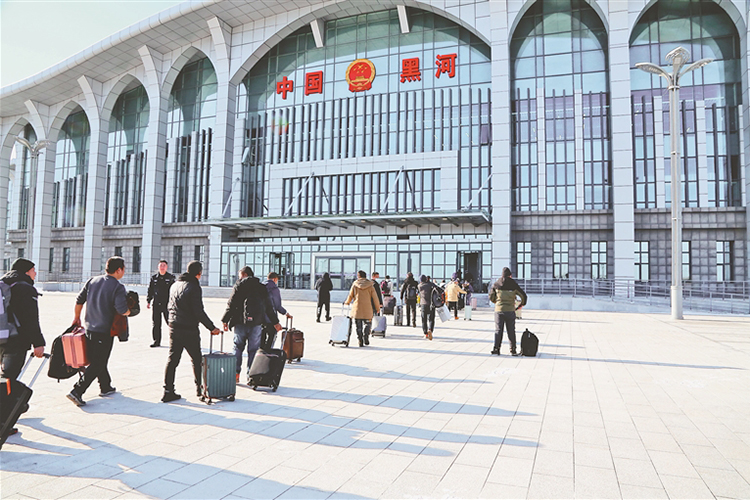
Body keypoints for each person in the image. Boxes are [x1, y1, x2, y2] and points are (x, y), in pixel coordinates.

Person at [67, 257, 130, 406]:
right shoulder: (117, 287)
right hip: (105, 330)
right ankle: (77, 391)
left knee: (99, 358)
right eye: (123, 269)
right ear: (119, 270)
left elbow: (79, 300)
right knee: (98, 362)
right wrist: (131, 311)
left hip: (90, 328)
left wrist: (76, 317)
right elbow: (122, 310)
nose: (124, 271)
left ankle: (105, 386)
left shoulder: (92, 281)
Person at [162, 261, 220, 403]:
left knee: (172, 359)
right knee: (196, 359)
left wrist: (170, 322)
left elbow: (168, 306)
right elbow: (198, 311)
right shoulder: (194, 286)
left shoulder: (175, 285)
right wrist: (212, 327)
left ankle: (168, 391)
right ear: (199, 273)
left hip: (174, 326)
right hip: (188, 328)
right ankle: (200, 390)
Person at [0, 258, 45, 434]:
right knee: (9, 380)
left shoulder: (3, 284)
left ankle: (14, 408)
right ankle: (4, 423)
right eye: (33, 270)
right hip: (15, 341)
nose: (35, 273)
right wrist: (38, 343)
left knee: (5, 379)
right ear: (26, 271)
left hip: (1, 337)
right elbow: (30, 319)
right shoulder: (25, 288)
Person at [221, 267, 280, 384]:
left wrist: (225, 320)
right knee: (253, 350)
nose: (239, 277)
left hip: (240, 323)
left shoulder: (239, 286)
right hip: (256, 323)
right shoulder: (261, 287)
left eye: (240, 275)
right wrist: (275, 322)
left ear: (244, 274)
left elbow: (231, 304)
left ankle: (235, 374)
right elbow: (269, 306)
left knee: (238, 347)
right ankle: (251, 375)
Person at [489, 267, 528, 356]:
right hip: (510, 311)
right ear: (510, 275)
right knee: (511, 331)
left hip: (499, 311)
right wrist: (521, 305)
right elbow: (523, 296)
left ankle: (496, 349)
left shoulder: (496, 283)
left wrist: (497, 302)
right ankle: (513, 350)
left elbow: (491, 296)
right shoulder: (513, 284)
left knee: (498, 330)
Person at [344, 270, 381, 347]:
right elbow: (375, 298)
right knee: (368, 324)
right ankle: (366, 336)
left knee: (358, 326)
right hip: (368, 308)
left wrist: (347, 302)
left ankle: (360, 340)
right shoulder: (370, 285)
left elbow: (350, 295)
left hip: (357, 308)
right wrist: (377, 308)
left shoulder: (355, 284)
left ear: (359, 276)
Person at [146, 260, 175, 348]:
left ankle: (175, 341)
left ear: (167, 267)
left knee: (171, 323)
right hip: (156, 304)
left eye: (164, 265)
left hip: (167, 304)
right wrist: (148, 301)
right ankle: (156, 341)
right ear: (158, 267)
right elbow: (150, 290)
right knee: (156, 323)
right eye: (161, 265)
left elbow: (174, 291)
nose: (162, 267)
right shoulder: (154, 278)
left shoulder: (171, 278)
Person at [417, 275, 439, 340]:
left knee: (424, 320)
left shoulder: (419, 286)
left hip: (423, 304)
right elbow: (438, 289)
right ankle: (430, 330)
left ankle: (425, 333)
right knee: (431, 319)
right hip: (431, 304)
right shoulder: (430, 285)